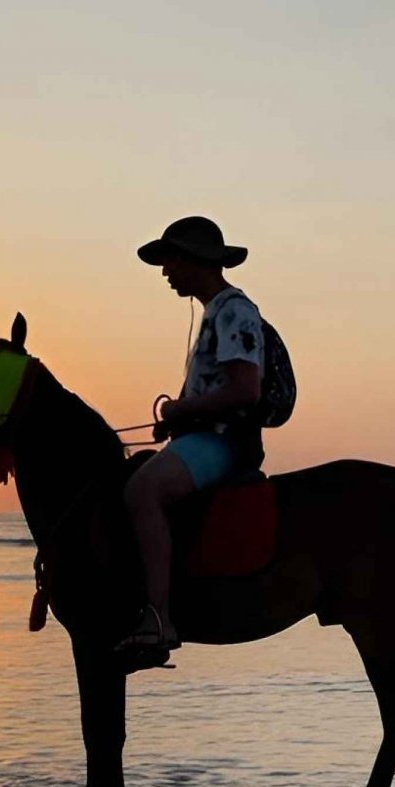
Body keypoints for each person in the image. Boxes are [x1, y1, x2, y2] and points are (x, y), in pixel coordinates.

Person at [116, 216, 266, 666]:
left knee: (142, 491)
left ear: (195, 260)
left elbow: (246, 389)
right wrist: (177, 420)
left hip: (221, 443)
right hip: (201, 436)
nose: (165, 272)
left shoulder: (235, 310)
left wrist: (183, 411)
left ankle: (159, 618)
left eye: (171, 260)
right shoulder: (215, 313)